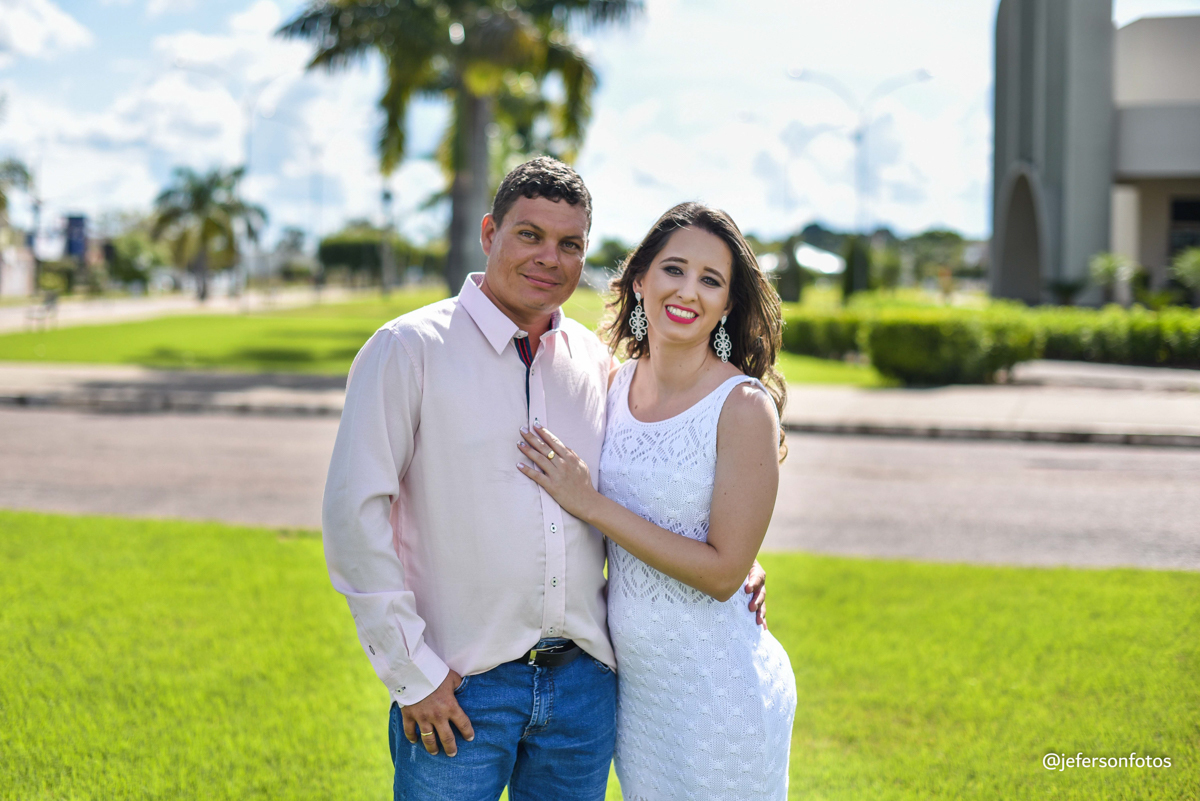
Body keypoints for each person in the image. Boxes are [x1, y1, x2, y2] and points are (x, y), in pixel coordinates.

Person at [322, 158, 766, 800]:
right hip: (460, 687)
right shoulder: (408, 350)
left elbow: (644, 479)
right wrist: (411, 673)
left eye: (570, 244)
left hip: (585, 693)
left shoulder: (597, 364)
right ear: (489, 233)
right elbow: (353, 517)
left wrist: (736, 558)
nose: (549, 258)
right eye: (529, 235)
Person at [516, 202, 797, 799]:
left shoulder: (743, 407)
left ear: (727, 304)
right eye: (674, 269)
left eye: (711, 280)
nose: (688, 290)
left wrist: (591, 503)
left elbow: (723, 574)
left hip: (722, 696)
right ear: (640, 280)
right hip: (639, 699)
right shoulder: (612, 385)